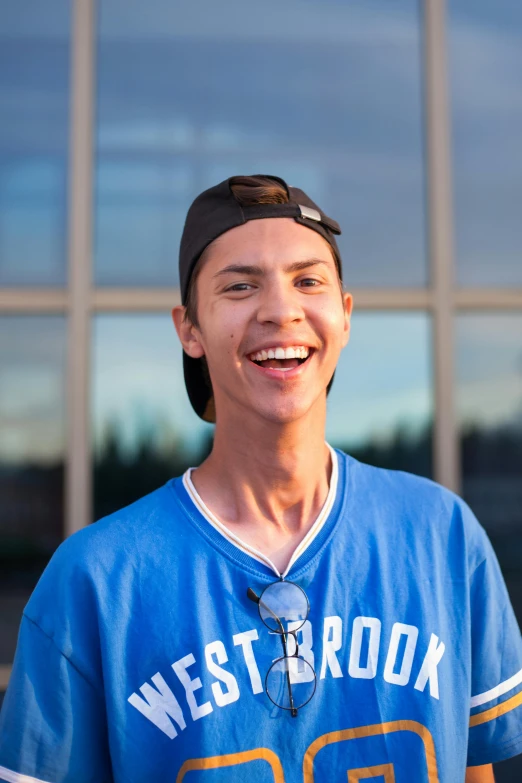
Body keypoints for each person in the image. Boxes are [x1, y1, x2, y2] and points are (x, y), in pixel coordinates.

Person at [0, 174, 521, 783]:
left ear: (345, 316)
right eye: (241, 286)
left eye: (308, 281)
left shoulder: (441, 534)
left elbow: (473, 769)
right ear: (189, 329)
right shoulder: (95, 579)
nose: (280, 310)